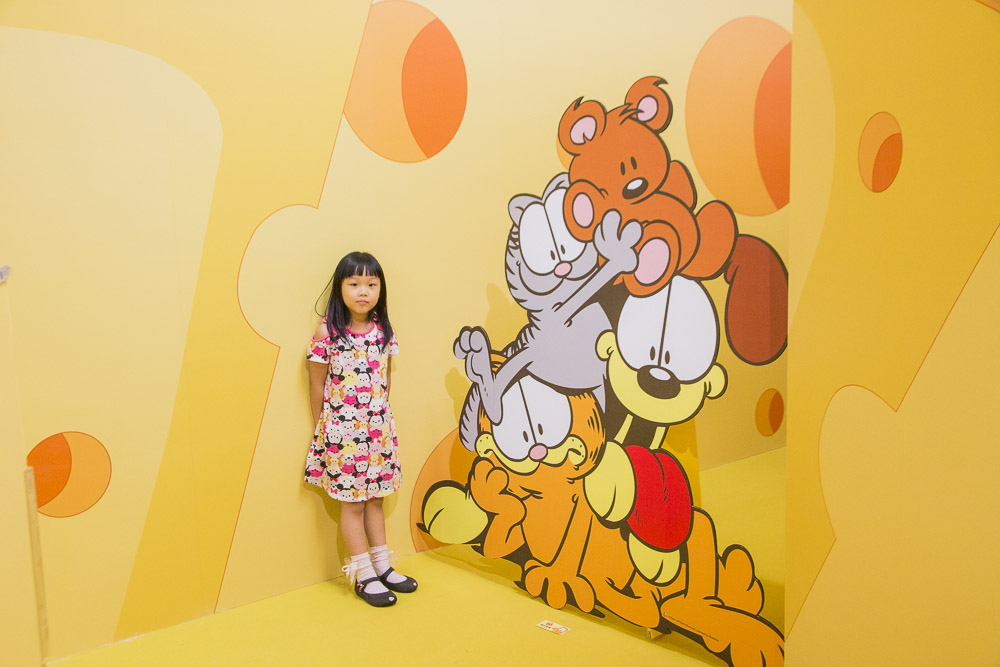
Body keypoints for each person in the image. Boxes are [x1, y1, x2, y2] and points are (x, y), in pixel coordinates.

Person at [306, 251, 417, 607]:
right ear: (340, 288)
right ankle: (362, 571)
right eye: (354, 283)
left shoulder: (383, 332)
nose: (363, 291)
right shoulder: (327, 333)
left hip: (378, 433)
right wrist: (324, 428)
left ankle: (382, 564)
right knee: (352, 505)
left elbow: (385, 380)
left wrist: (380, 418)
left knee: (375, 499)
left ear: (380, 289)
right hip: (342, 436)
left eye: (371, 284)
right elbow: (316, 383)